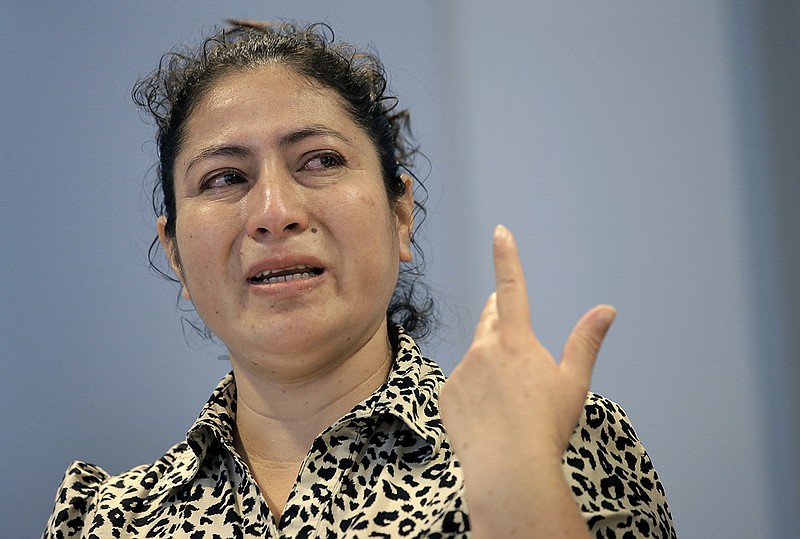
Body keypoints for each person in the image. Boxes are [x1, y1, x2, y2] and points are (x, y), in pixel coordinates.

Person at [43, 20, 676, 538]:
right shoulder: (106, 521)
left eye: (319, 160)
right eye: (225, 178)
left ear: (401, 214)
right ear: (175, 253)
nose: (273, 214)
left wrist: (521, 488)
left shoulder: (552, 441)